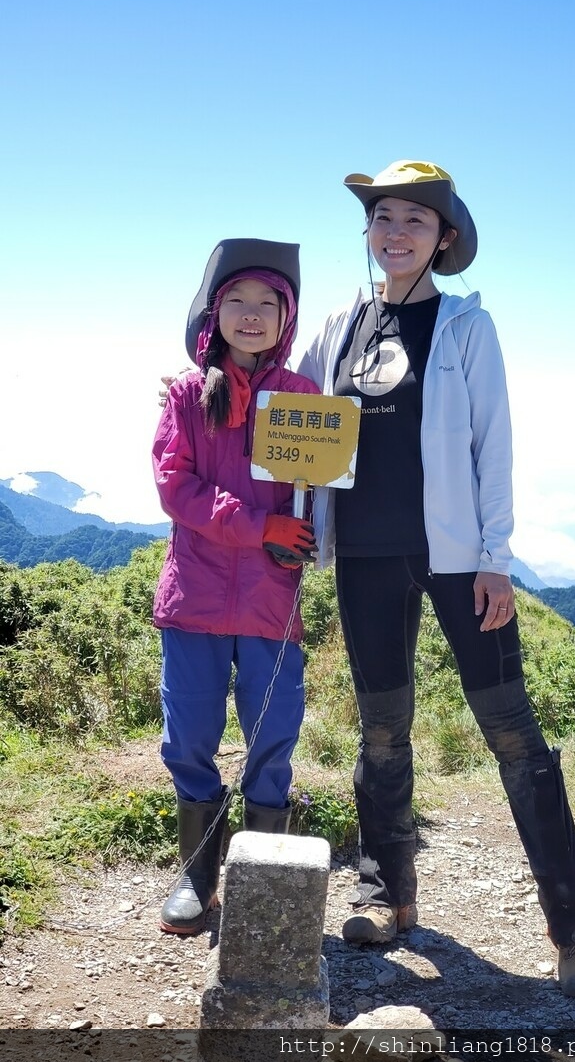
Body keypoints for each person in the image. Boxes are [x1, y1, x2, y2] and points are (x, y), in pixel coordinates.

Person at [296, 160, 575, 998]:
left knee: (514, 734)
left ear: (445, 238)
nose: (396, 232)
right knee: (380, 730)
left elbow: (492, 444)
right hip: (363, 553)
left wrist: (497, 558)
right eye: (384, 218)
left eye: (415, 221)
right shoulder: (338, 324)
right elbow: (295, 420)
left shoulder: (467, 327)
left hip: (458, 559)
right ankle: (385, 890)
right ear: (369, 232)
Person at [153, 238, 319, 935]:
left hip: (269, 600)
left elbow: (320, 490)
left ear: (288, 317)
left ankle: (263, 874)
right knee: (189, 734)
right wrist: (261, 528)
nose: (251, 316)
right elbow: (175, 486)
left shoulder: (306, 400)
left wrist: (307, 527)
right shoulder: (190, 395)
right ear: (212, 312)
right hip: (193, 597)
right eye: (237, 302)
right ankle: (198, 874)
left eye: (267, 304)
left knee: (272, 734)